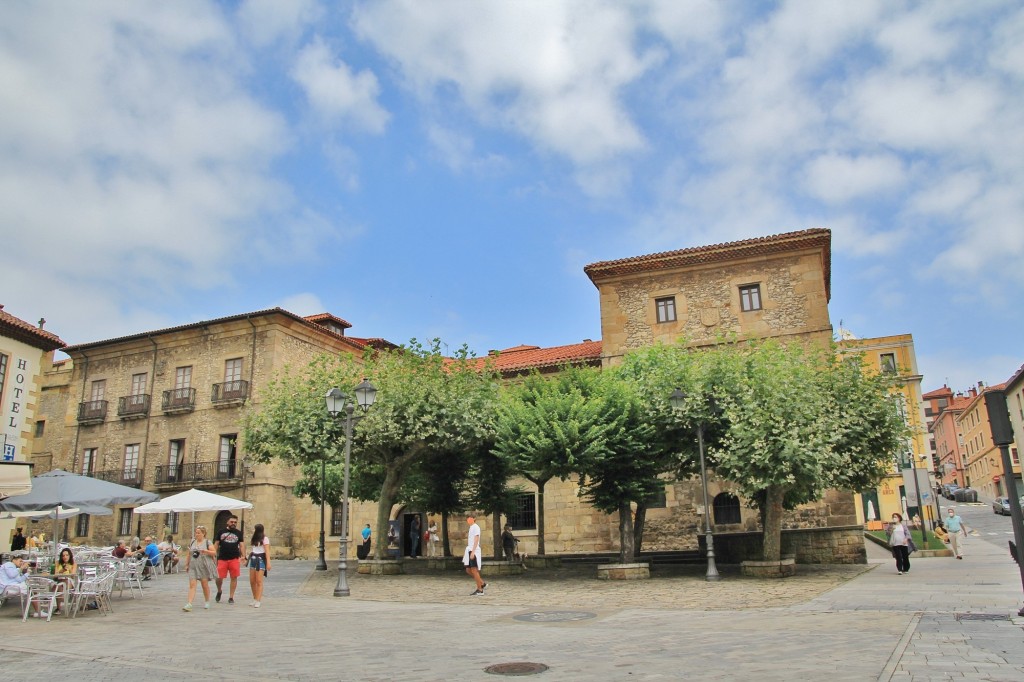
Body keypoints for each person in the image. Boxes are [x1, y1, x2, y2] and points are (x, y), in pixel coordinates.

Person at [183, 525, 217, 612]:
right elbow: (189, 554)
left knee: (204, 584)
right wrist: (187, 564)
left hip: (203, 566)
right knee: (192, 585)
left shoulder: (207, 542)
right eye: (196, 532)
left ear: (203, 534)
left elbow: (214, 552)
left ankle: (207, 601)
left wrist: (206, 551)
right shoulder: (193, 542)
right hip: (193, 565)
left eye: (198, 533)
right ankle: (189, 603)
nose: (196, 534)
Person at [214, 515, 244, 604]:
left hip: (234, 558)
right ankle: (219, 590)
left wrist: (243, 555)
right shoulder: (221, 532)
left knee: (234, 577)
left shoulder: (239, 533)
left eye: (235, 522)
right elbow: (216, 544)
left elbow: (242, 545)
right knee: (219, 577)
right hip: (222, 558)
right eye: (232, 522)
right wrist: (213, 554)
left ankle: (231, 597)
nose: (233, 524)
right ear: (227, 522)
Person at [247, 523, 270, 608]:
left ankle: (258, 600)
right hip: (253, 558)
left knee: (259, 580)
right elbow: (253, 549)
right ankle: (254, 598)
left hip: (260, 559)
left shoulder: (265, 539)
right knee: (252, 581)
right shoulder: (254, 539)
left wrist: (268, 562)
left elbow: (267, 551)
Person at [463, 515, 486, 595]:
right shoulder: (471, 527)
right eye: (467, 518)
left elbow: (476, 539)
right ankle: (482, 583)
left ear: (474, 519)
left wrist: (473, 552)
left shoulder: (476, 527)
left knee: (474, 570)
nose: (468, 520)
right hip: (470, 550)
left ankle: (480, 589)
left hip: (474, 550)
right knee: (468, 570)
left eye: (470, 518)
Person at [52, 547, 76, 614]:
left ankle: (59, 605)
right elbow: (55, 575)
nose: (65, 557)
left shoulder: (73, 563)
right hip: (59, 580)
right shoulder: (58, 563)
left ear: (70, 555)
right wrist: (62, 570)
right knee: (58, 586)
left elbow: (73, 575)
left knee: (64, 582)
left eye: (67, 555)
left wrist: (69, 569)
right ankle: (58, 608)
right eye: (63, 555)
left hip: (69, 580)